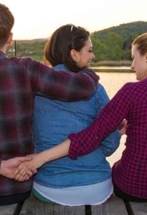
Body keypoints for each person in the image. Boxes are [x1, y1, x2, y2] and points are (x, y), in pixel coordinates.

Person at [0, 3, 100, 206]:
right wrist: (88, 71)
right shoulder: (26, 69)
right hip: (16, 189)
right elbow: (80, 88)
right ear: (9, 38)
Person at [15, 25, 147, 202]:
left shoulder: (132, 92)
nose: (132, 65)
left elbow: (91, 136)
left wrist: (39, 158)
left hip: (130, 187)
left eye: (134, 58)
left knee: (119, 168)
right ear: (74, 53)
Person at [31, 24, 121, 206]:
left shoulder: (34, 87)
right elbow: (110, 144)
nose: (93, 56)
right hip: (97, 187)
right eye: (89, 50)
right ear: (74, 54)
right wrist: (90, 151)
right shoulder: (96, 89)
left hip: (50, 187)